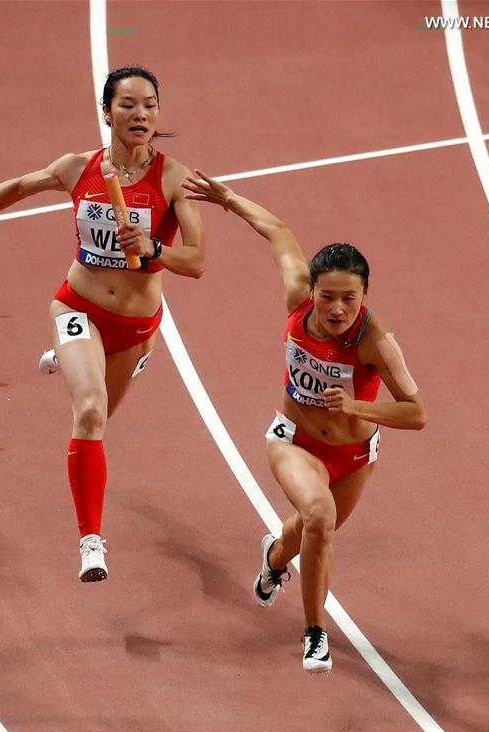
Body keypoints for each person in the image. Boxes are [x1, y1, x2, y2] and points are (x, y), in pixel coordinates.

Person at [0, 66, 205, 582]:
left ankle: (90, 360)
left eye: (150, 105)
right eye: (128, 105)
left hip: (136, 328)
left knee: (99, 416)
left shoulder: (174, 178)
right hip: (79, 307)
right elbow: (19, 187)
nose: (141, 114)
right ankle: (91, 541)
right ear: (106, 111)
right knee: (89, 414)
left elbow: (198, 260)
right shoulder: (80, 168)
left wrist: (156, 248)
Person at [182, 171, 426, 673]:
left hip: (356, 456)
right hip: (294, 440)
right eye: (327, 296)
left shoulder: (376, 342)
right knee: (319, 518)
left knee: (312, 530)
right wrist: (228, 200)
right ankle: (316, 632)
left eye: (349, 299)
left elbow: (416, 413)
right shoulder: (297, 299)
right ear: (311, 289)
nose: (337, 308)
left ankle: (274, 559)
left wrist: (358, 407)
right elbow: (278, 232)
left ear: (365, 296)